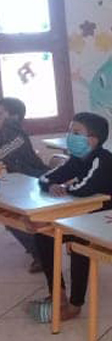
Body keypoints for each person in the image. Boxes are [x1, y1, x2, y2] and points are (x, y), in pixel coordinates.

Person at [30, 113, 112, 323]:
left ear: (92, 140)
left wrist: (64, 187)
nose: (70, 136)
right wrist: (52, 185)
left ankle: (75, 305)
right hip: (91, 215)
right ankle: (58, 294)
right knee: (43, 234)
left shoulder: (102, 160)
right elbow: (45, 177)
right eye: (70, 131)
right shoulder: (78, 158)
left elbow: (83, 189)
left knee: (79, 241)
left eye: (76, 132)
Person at [0, 97, 48, 273]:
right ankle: (36, 247)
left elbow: (3, 152)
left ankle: (41, 254)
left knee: (12, 216)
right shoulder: (8, 131)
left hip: (34, 179)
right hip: (21, 180)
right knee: (9, 216)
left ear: (13, 117)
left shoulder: (13, 130)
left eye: (0, 113)